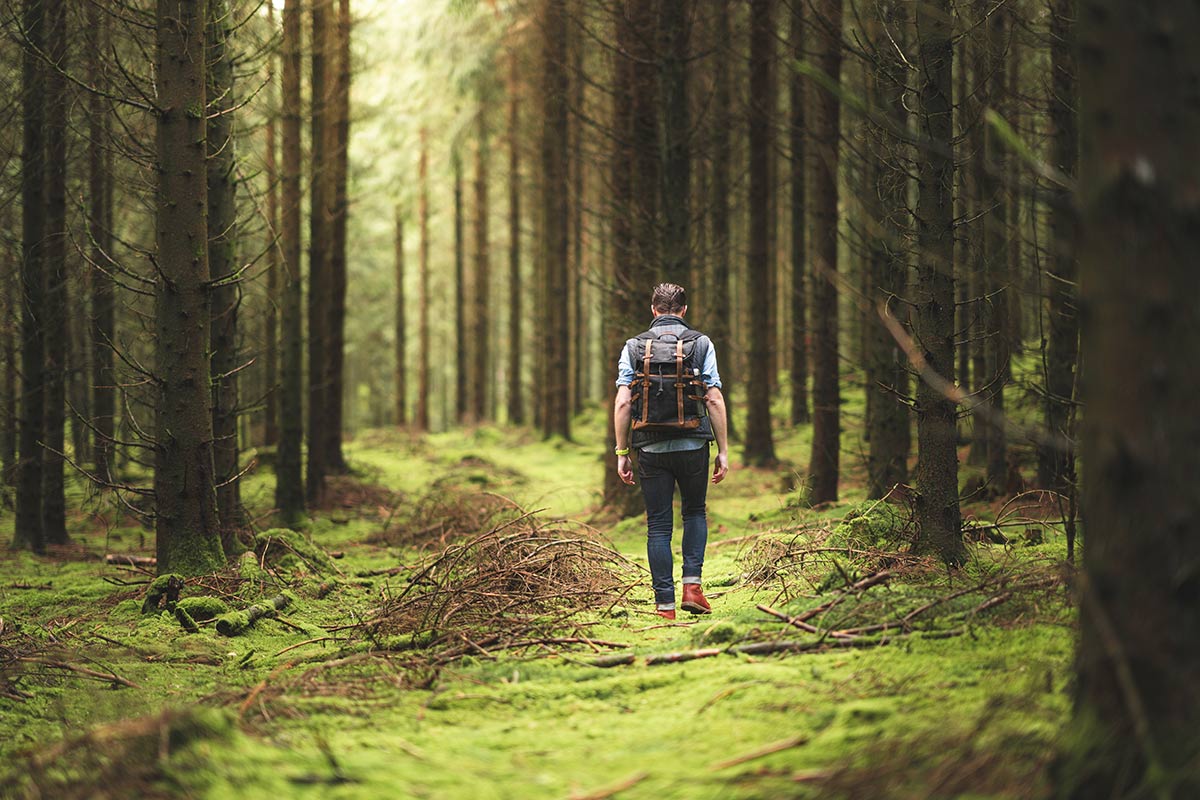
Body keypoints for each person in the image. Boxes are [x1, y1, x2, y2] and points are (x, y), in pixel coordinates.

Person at [613, 283, 730, 620]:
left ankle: (664, 605)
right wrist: (723, 450)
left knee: (659, 526)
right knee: (694, 512)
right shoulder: (701, 343)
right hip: (694, 443)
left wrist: (622, 451)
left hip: (649, 446)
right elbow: (714, 398)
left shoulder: (633, 346)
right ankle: (692, 587)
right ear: (684, 310)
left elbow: (623, 402)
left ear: (653, 310)